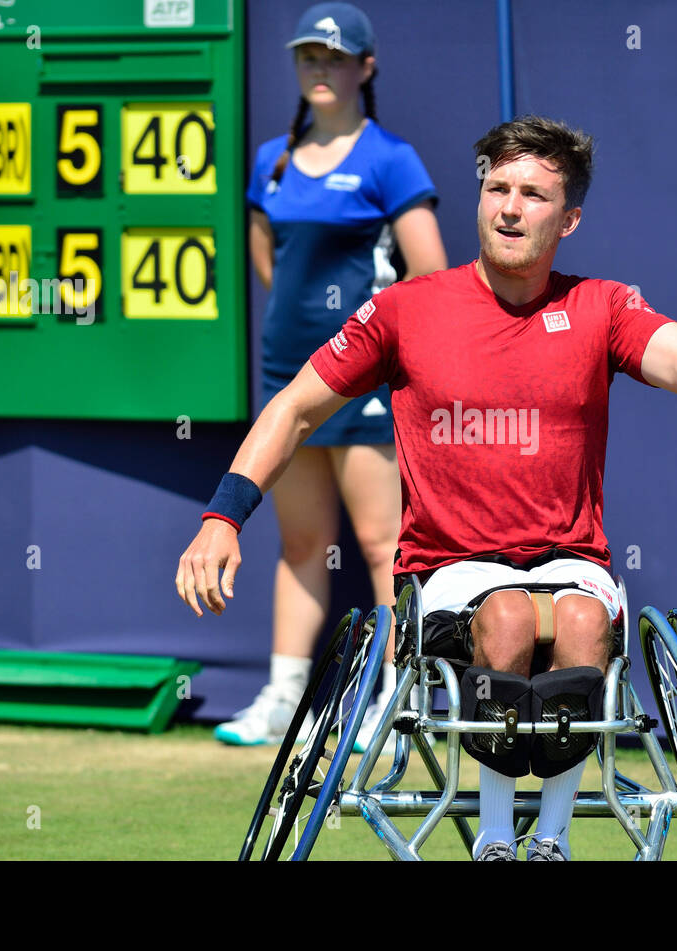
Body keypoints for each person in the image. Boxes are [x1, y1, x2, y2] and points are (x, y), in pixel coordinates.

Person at [178, 115, 677, 859]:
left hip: (570, 562)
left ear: (570, 217)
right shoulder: (407, 308)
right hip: (447, 570)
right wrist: (223, 516)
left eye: (533, 193)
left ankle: (548, 843)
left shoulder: (602, 306)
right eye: (497, 187)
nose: (510, 206)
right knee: (508, 618)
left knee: (584, 620)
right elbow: (295, 407)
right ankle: (497, 839)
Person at [215, 2, 447, 748]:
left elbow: (432, 273)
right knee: (300, 544)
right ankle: (284, 697)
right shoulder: (269, 160)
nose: (320, 67)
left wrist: (366, 342)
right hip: (290, 377)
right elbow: (265, 251)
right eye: (308, 56)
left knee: (383, 545)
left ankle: (398, 700)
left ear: (364, 68)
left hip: (367, 382)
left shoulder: (390, 160)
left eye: (335, 57)